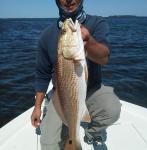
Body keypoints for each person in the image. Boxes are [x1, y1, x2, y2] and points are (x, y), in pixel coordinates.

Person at [31, 0, 122, 149]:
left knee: (111, 109)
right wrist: (37, 107)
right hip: (62, 94)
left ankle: (91, 133)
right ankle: (72, 137)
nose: (68, 0)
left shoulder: (97, 23)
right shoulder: (46, 36)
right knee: (47, 143)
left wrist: (88, 41)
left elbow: (104, 58)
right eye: (65, 32)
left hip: (93, 88)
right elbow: (42, 74)